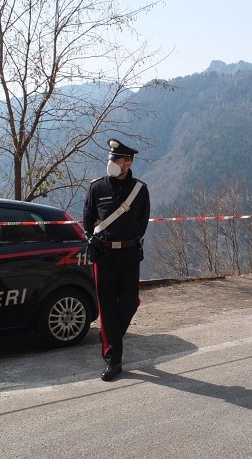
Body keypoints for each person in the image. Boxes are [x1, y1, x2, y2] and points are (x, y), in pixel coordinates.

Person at [83, 138, 150, 381]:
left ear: (128, 162)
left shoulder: (140, 190)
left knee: (130, 302)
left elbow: (142, 223)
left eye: (117, 159)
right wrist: (91, 239)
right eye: (111, 158)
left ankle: (111, 339)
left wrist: (130, 240)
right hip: (105, 254)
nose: (112, 162)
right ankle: (113, 360)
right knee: (107, 305)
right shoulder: (97, 187)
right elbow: (88, 219)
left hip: (130, 254)